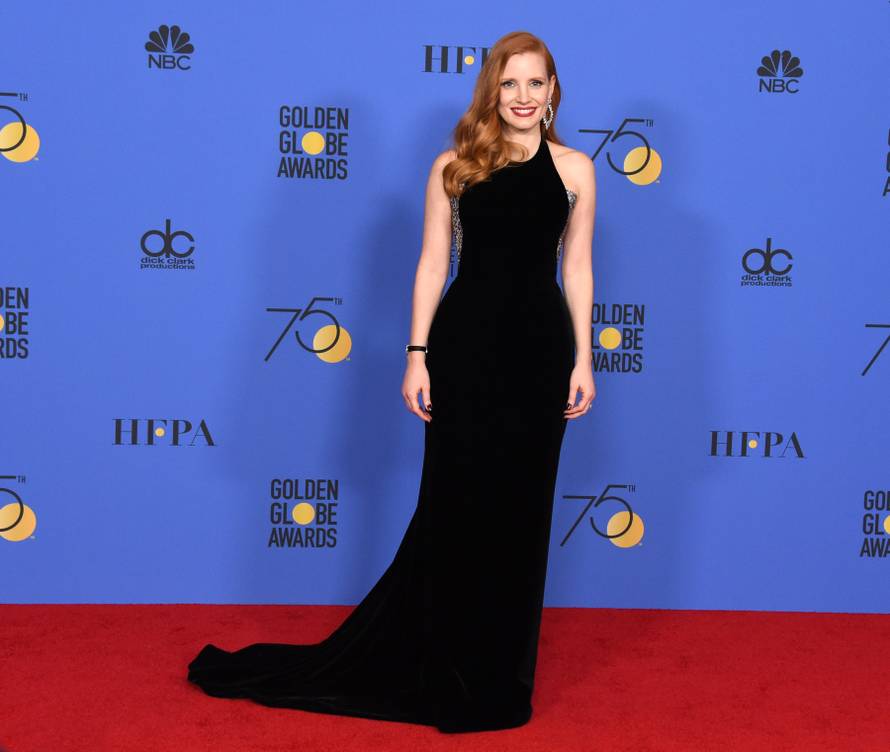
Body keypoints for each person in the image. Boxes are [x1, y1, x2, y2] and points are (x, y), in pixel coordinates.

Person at [187, 30, 596, 734]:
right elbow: (433, 263)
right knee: (456, 506)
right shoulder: (454, 166)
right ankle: (446, 669)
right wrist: (416, 354)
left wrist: (583, 358)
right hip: (465, 349)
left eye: (536, 83)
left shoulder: (578, 170)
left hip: (539, 354)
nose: (524, 97)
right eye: (510, 84)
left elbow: (578, 268)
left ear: (553, 90)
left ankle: (501, 679)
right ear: (491, 91)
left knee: (523, 515)